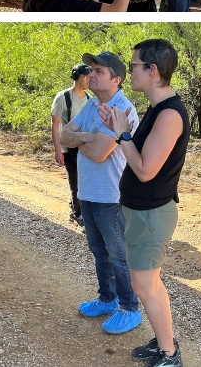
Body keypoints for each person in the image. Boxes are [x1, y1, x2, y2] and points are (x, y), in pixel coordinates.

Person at [101, 39, 189, 367]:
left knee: (144, 286)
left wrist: (123, 134)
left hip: (151, 215)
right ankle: (165, 342)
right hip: (142, 211)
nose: (131, 69)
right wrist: (119, 129)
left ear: (152, 71)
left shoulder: (169, 114)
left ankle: (169, 355)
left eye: (135, 64)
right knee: (151, 284)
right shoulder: (157, 109)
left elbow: (145, 170)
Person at [58, 52, 142, 335]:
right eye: (90, 70)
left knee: (118, 255)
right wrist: (87, 136)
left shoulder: (122, 109)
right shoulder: (94, 103)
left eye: (98, 71)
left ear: (116, 79)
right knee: (98, 252)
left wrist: (82, 139)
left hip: (111, 196)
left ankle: (130, 308)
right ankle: (108, 299)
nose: (90, 75)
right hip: (88, 192)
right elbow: (64, 136)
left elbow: (97, 154)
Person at [51, 63, 91, 224]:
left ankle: (76, 206)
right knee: (75, 181)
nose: (88, 80)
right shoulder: (63, 97)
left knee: (85, 180)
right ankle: (78, 213)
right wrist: (58, 150)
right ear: (77, 78)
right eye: (85, 77)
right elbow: (55, 124)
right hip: (68, 148)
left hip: (84, 148)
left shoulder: (90, 100)